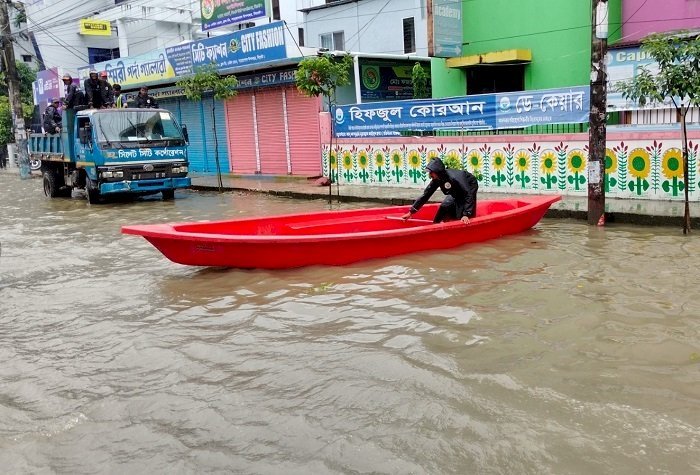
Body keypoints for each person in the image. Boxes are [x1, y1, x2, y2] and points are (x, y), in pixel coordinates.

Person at [401, 158, 479, 224]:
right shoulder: (437, 179)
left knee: (461, 212)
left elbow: (468, 193)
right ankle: (436, 224)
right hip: (456, 189)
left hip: (469, 185)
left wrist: (466, 214)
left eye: (431, 172)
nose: (429, 175)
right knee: (444, 206)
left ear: (438, 171)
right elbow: (426, 195)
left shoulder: (455, 177)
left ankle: (465, 217)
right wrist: (411, 212)